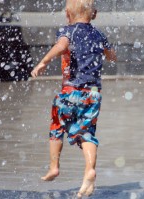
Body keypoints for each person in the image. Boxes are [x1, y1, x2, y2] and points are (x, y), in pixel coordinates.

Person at [31, 0, 116, 198]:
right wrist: (107, 53)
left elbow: (61, 46)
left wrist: (43, 62)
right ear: (94, 15)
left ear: (68, 14)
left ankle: (54, 167)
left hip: (71, 91)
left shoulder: (68, 31)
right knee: (86, 133)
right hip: (93, 94)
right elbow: (112, 56)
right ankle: (89, 170)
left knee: (56, 125)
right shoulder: (99, 34)